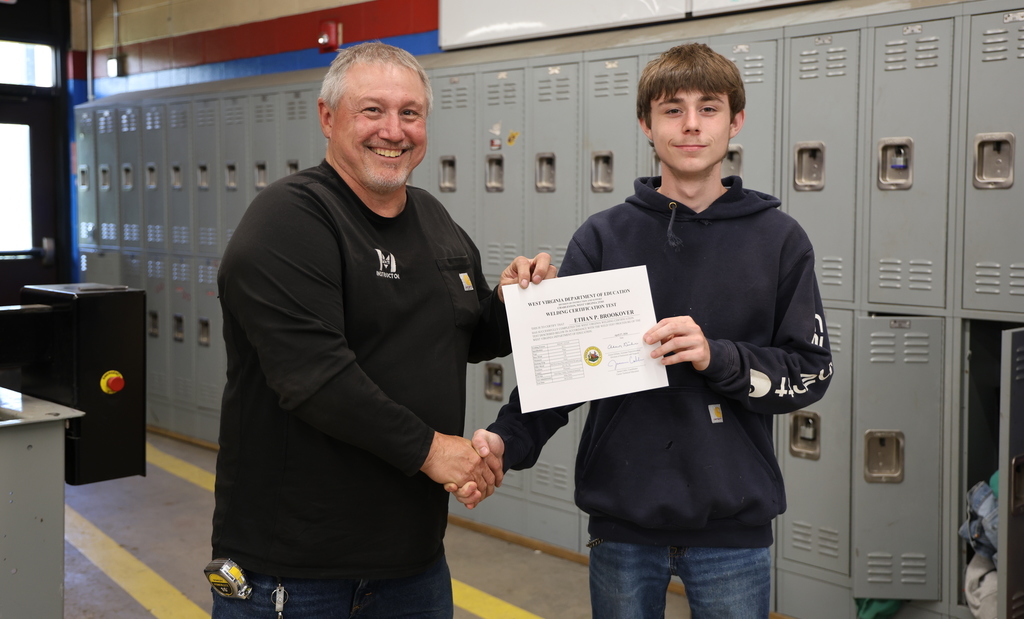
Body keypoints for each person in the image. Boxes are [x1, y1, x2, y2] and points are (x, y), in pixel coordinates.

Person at [468, 43, 833, 619]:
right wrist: (504, 441)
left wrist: (719, 357)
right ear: (646, 124)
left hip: (733, 530)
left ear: (736, 121)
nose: (691, 124)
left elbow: (809, 374)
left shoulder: (780, 240)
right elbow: (567, 376)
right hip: (623, 527)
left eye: (709, 108)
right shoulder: (604, 237)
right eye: (672, 109)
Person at [211, 41, 553, 618]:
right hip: (295, 570)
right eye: (372, 110)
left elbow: (472, 332)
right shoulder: (290, 219)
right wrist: (431, 451)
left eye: (410, 113)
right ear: (328, 116)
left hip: (413, 561)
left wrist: (524, 300)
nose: (393, 131)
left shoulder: (434, 220)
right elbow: (315, 378)